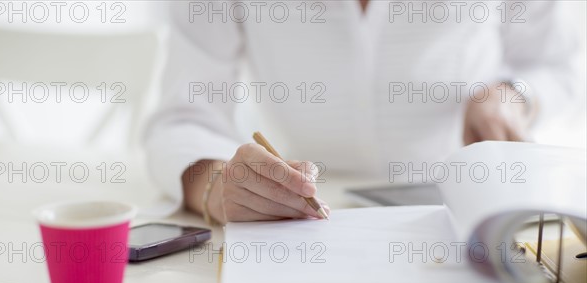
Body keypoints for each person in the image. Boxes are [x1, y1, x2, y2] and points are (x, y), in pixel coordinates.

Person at [145, 0, 579, 224]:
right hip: (300, 216)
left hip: (466, 210)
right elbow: (183, 117)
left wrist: (512, 94)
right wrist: (218, 188)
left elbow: (558, 65)